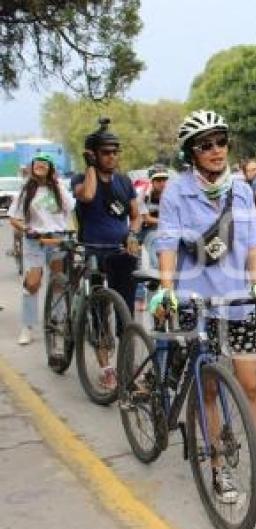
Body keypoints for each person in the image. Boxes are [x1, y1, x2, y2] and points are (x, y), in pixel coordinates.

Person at [153, 109, 256, 502]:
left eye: (221, 142)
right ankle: (218, 469)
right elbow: (166, 244)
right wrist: (166, 289)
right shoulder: (177, 191)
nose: (216, 150)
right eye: (205, 145)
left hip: (237, 300)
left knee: (250, 386)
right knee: (210, 389)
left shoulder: (241, 189)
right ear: (191, 153)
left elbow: (251, 244)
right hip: (197, 302)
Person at [72, 117, 141, 389]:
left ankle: (126, 365)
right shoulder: (81, 179)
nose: (112, 157)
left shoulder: (124, 182)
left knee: (125, 313)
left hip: (120, 253)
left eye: (115, 151)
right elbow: (87, 195)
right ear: (93, 155)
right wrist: (90, 167)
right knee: (100, 314)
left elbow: (136, 215)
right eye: (105, 152)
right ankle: (107, 368)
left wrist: (132, 234)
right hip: (93, 253)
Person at [9, 153, 73, 346]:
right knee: (32, 283)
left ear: (51, 168)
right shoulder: (26, 190)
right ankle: (27, 327)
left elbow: (70, 207)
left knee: (58, 282)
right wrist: (26, 229)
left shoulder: (59, 188)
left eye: (44, 164)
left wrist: (58, 184)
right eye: (37, 164)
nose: (40, 167)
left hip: (56, 239)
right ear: (32, 167)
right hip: (35, 240)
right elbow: (14, 218)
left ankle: (58, 320)